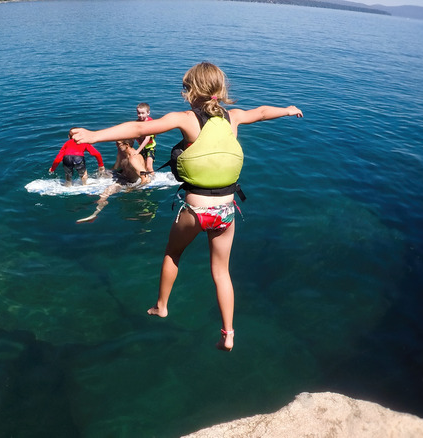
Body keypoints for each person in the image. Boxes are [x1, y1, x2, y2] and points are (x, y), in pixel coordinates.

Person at [71, 62, 303, 350]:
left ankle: (161, 305)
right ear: (219, 89)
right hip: (227, 211)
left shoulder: (186, 119)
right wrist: (288, 109)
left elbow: (137, 127)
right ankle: (228, 332)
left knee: (173, 254)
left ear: (191, 91)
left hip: (196, 211)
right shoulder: (233, 118)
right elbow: (263, 112)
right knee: (221, 272)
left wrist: (94, 135)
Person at [77, 139, 150, 223]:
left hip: (128, 182)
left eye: (118, 143)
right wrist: (103, 173)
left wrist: (132, 189)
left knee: (106, 193)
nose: (116, 145)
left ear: (126, 145)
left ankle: (94, 214)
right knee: (100, 173)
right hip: (120, 174)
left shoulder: (133, 159)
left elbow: (146, 179)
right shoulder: (122, 153)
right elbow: (115, 167)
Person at [135, 103, 156, 174]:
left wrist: (138, 151)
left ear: (148, 113)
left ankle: (153, 179)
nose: (140, 115)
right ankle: (147, 179)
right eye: (138, 113)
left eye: (143, 113)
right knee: (143, 166)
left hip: (150, 147)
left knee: (149, 167)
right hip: (142, 147)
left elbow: (147, 139)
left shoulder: (149, 123)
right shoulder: (137, 123)